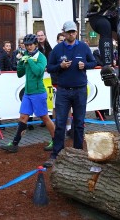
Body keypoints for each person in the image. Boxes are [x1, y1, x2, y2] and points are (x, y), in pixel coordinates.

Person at [44, 21, 97, 168]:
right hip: (63, 91)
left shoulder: (84, 47)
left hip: (80, 90)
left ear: (76, 32)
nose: (71, 34)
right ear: (64, 33)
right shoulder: (57, 49)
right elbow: (49, 68)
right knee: (60, 123)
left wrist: (85, 65)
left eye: (74, 31)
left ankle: (78, 154)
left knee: (79, 123)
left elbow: (94, 62)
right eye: (69, 32)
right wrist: (60, 66)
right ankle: (56, 154)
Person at [0, 34, 55, 153]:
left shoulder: (41, 57)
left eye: (30, 45)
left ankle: (56, 140)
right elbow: (20, 74)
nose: (28, 47)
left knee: (44, 117)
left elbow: (38, 72)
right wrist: (20, 63)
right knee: (23, 117)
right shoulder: (25, 55)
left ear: (36, 45)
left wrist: (29, 61)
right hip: (28, 92)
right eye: (26, 45)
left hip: (38, 92)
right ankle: (14, 144)